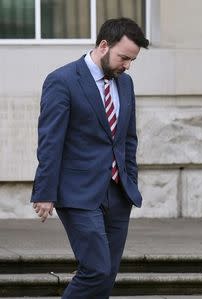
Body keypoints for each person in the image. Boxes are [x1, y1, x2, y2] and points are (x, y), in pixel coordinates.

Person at [31, 18, 149, 298]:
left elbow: (128, 140)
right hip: (77, 193)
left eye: (132, 60)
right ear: (104, 45)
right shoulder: (62, 81)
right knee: (95, 269)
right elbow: (50, 141)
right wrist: (44, 191)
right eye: (124, 57)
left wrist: (130, 180)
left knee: (106, 275)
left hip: (119, 195)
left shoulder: (126, 83)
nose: (127, 65)